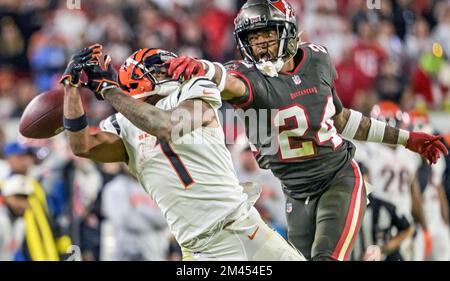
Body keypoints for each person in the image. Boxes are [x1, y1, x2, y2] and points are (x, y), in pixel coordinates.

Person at [166, 0, 449, 260]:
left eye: (268, 35)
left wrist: (406, 138)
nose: (261, 46)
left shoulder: (317, 61)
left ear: (288, 34)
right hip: (295, 193)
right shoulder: (248, 77)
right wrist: (204, 68)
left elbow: (341, 120)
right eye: (254, 39)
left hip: (337, 180)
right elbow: (228, 80)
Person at [59, 44, 305, 261]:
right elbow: (81, 145)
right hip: (197, 250)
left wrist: (109, 91)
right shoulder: (121, 125)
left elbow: (165, 125)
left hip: (241, 228)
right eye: (158, 68)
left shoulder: (194, 91)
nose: (169, 71)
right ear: (135, 77)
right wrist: (71, 89)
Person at [354, 102, 429, 260]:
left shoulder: (369, 150)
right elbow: (414, 194)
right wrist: (424, 225)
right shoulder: (408, 153)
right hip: (399, 220)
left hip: (378, 220)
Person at [0, 175, 33, 261]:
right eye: (18, 197)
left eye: (25, 198)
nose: (22, 203)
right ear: (6, 197)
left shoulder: (20, 223)